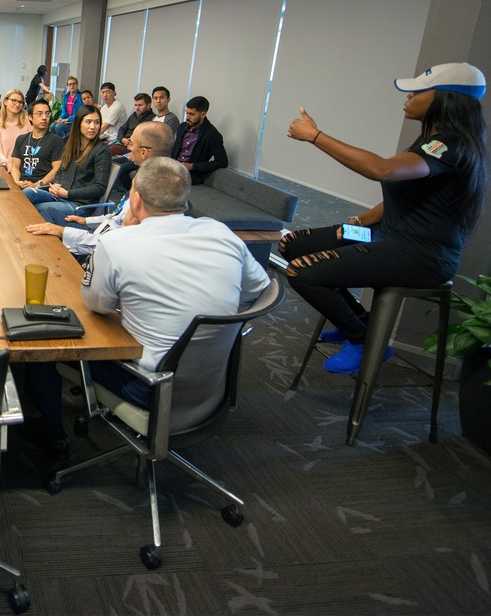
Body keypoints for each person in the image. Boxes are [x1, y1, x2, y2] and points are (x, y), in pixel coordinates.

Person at [24, 157, 269, 453]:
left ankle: (52, 439)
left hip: (146, 385)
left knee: (45, 344)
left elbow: (96, 305)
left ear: (135, 200)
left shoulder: (118, 244)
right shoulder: (220, 233)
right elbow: (260, 291)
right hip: (213, 383)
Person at [280, 62, 488, 375]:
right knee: (293, 245)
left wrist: (316, 136)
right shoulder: (431, 142)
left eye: (417, 91)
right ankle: (359, 321)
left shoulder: (449, 146)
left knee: (302, 272)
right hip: (385, 236)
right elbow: (403, 192)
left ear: (445, 98)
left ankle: (364, 339)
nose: (408, 97)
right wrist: (359, 222)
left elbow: (383, 170)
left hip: (419, 255)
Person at [26, 121, 173, 261]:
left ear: (143, 152)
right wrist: (86, 221)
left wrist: (63, 232)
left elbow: (114, 244)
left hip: (101, 248)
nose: (128, 148)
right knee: (46, 213)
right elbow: (116, 217)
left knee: (44, 219)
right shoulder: (146, 177)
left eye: (131, 143)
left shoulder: (153, 191)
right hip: (99, 231)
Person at [24, 105, 112, 225]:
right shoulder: (71, 146)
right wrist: (56, 186)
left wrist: (67, 193)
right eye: (88, 122)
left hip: (78, 205)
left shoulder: (101, 151)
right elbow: (60, 171)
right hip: (59, 196)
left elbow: (99, 188)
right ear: (78, 124)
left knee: (39, 208)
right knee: (27, 193)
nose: (93, 127)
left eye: (97, 122)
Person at [171, 95, 228, 183]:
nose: (187, 117)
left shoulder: (212, 134)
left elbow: (222, 162)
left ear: (203, 114)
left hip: (190, 175)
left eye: (192, 114)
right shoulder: (182, 127)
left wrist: (192, 166)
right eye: (187, 113)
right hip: (173, 169)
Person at [11, 99, 64, 190]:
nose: (44, 117)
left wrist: (37, 184)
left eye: (47, 114)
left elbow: (57, 170)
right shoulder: (21, 139)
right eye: (39, 114)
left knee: (28, 193)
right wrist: (17, 182)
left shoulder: (56, 140)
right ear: (30, 117)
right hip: (22, 184)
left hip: (42, 187)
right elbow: (15, 167)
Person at [0, 87, 33, 172]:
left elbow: (32, 149)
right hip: (6, 167)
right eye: (14, 100)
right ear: (5, 101)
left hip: (25, 168)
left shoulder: (28, 122)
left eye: (20, 102)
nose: (17, 105)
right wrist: (7, 163)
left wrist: (28, 170)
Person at [110, 92, 155, 156]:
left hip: (132, 147)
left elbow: (146, 139)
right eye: (135, 105)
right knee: (99, 146)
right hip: (122, 142)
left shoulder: (153, 119)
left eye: (140, 105)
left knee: (106, 150)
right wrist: (122, 139)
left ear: (148, 105)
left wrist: (131, 141)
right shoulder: (134, 115)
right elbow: (122, 129)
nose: (137, 108)